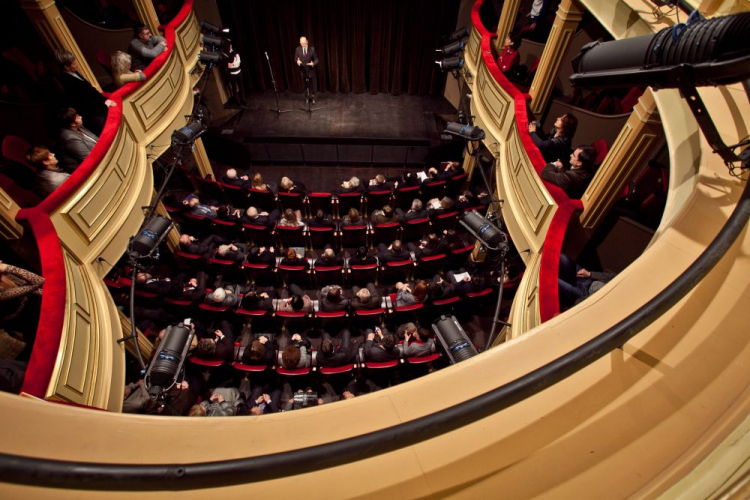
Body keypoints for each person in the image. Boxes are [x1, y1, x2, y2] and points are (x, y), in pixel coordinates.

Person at [55, 49, 116, 135]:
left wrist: (105, 99)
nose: (77, 64)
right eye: (74, 63)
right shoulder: (68, 82)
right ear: (66, 67)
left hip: (97, 105)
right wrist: (104, 105)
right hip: (91, 113)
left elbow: (90, 89)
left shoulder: (73, 72)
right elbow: (85, 103)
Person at [295, 36, 319, 103]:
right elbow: (296, 58)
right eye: (302, 43)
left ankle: (313, 97)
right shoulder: (298, 49)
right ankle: (307, 97)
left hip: (311, 70)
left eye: (305, 43)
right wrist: (297, 61)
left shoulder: (312, 49)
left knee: (312, 85)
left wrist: (313, 63)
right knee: (305, 85)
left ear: (307, 42)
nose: (304, 45)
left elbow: (316, 60)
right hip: (303, 71)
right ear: (300, 43)